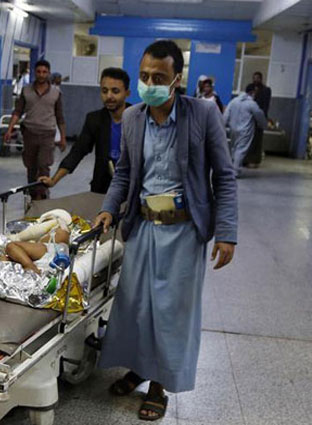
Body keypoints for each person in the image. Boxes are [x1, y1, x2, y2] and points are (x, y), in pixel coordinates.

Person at [92, 40, 237, 421]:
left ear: (177, 79)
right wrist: (109, 209)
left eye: (158, 77)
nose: (149, 83)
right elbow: (124, 172)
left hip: (184, 230)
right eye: (144, 76)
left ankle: (159, 384)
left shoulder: (203, 114)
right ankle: (140, 369)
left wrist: (227, 232)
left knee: (171, 313)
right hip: (142, 226)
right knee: (137, 306)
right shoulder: (133, 117)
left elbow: (224, 176)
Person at [39, 67, 132, 193]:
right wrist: (54, 180)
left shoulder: (139, 119)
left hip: (132, 188)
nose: (109, 96)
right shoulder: (95, 119)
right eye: (104, 91)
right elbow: (78, 151)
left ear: (127, 93)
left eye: (115, 91)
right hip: (102, 189)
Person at [4, 60, 66, 200]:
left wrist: (63, 137)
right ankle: (32, 194)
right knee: (31, 166)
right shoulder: (26, 90)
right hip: (30, 133)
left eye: (44, 72)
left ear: (48, 73)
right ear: (34, 73)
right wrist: (9, 129)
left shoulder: (56, 93)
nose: (41, 75)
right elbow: (18, 111)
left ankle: (42, 195)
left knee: (44, 165)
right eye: (38, 72)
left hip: (47, 134)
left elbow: (60, 117)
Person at [223, 84, 267, 177]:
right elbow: (259, 115)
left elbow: (226, 115)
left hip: (233, 129)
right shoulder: (252, 104)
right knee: (241, 150)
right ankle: (235, 171)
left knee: (234, 148)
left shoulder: (234, 101)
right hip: (245, 130)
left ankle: (230, 168)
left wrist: (222, 126)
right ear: (252, 92)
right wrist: (264, 125)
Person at [245, 71, 272, 167]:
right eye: (254, 78)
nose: (255, 80)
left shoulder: (266, 90)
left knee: (257, 139)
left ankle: (255, 160)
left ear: (261, 79)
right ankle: (245, 159)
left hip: (259, 117)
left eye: (257, 78)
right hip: (249, 117)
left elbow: (266, 105)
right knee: (247, 138)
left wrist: (263, 118)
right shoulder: (249, 87)